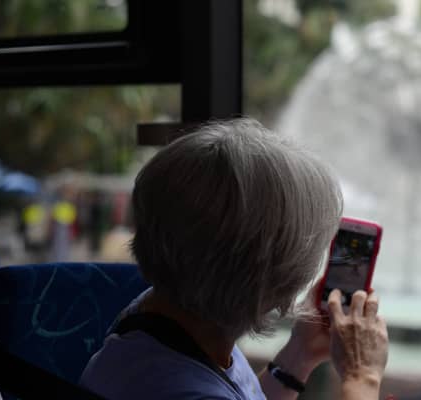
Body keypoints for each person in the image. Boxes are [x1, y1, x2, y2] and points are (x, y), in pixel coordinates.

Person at [80, 119, 389, 400]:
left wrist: (299, 355)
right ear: (274, 274)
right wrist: (363, 378)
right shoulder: (173, 388)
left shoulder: (169, 318)